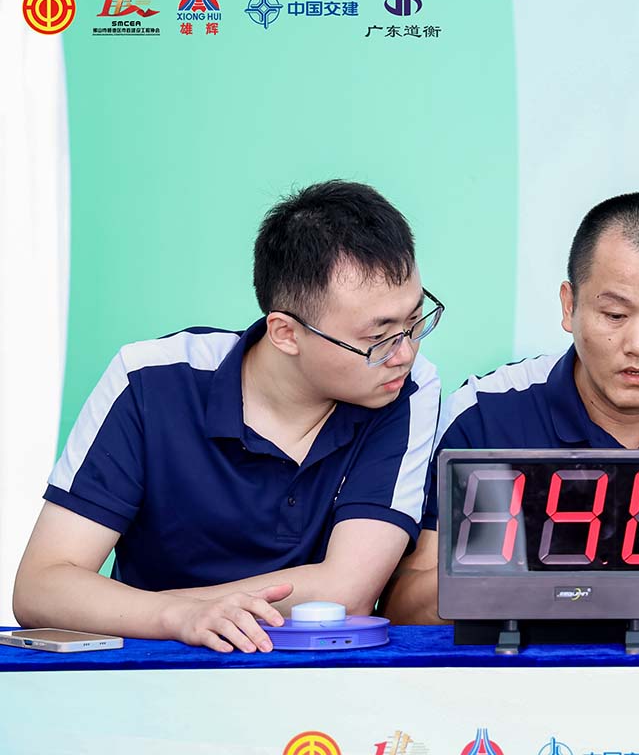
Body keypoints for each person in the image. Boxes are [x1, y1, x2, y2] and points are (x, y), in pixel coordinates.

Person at [13, 180, 443, 652]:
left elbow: (347, 593)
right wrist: (176, 617)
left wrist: (131, 607)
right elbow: (41, 587)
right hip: (147, 673)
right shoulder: (150, 380)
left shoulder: (406, 390)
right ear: (285, 333)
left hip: (315, 678)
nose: (405, 353)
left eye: (414, 320)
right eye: (379, 337)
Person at [384, 192, 639, 636]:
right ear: (569, 306)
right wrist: (535, 580)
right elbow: (404, 607)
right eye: (614, 314)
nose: (638, 344)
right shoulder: (487, 412)